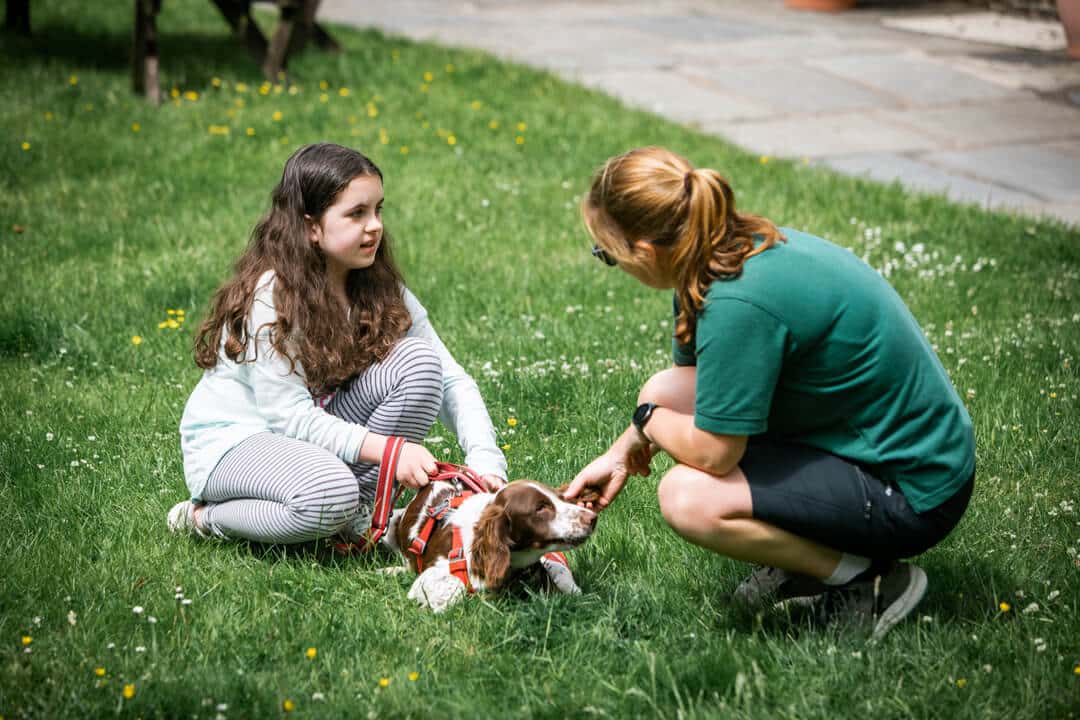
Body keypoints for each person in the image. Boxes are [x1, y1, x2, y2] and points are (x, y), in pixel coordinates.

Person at [564, 147, 975, 639]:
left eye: (607, 254)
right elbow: (698, 395)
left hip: (912, 487)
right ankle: (807, 552)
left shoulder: (736, 301)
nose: (610, 262)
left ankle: (868, 579)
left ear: (646, 251)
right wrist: (621, 454)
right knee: (666, 390)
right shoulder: (717, 253)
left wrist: (648, 420)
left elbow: (715, 453)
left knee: (687, 496)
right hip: (858, 446)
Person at [169, 143, 506, 544]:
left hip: (308, 440)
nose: (375, 225)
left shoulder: (377, 285)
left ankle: (354, 519)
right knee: (329, 493)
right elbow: (288, 418)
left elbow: (451, 380)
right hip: (238, 440)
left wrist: (486, 463)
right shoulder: (272, 296)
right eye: (356, 213)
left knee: (419, 362)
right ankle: (203, 518)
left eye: (378, 209)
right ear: (311, 227)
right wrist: (390, 451)